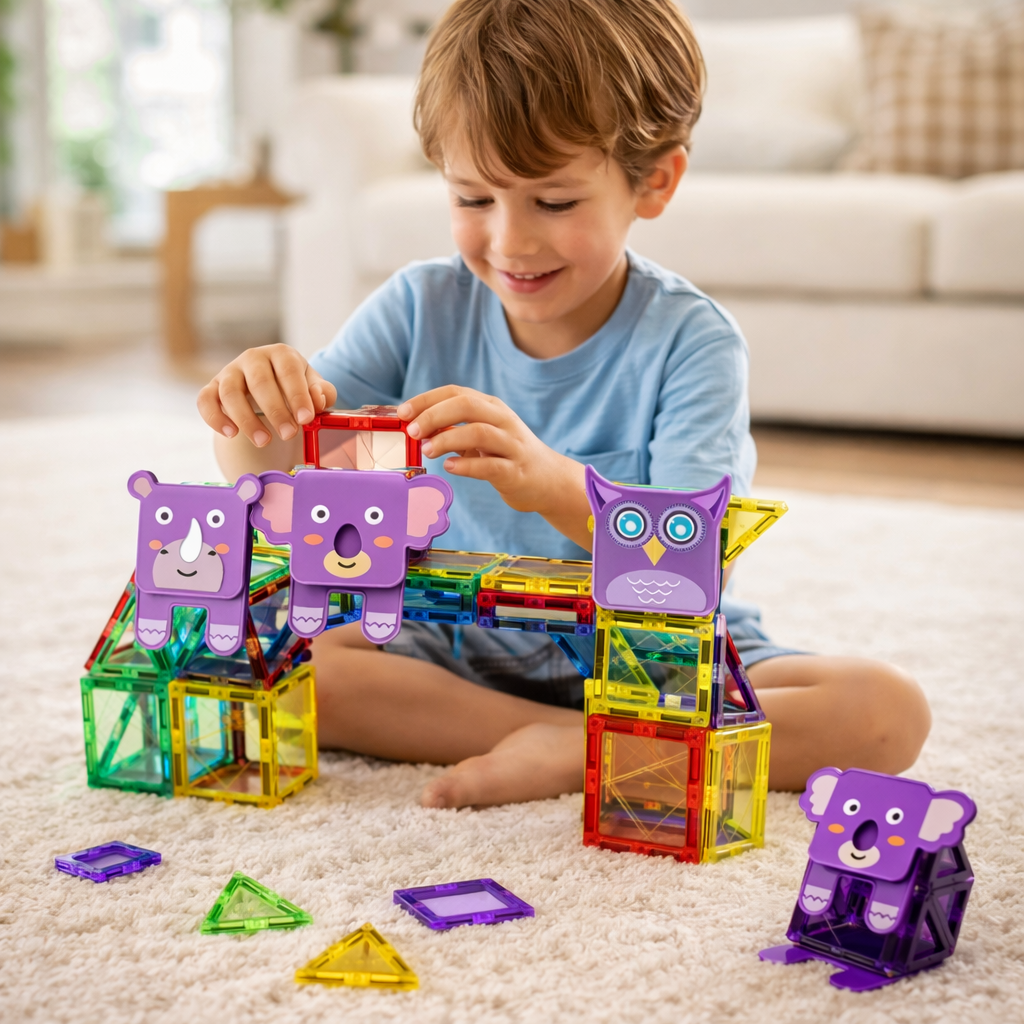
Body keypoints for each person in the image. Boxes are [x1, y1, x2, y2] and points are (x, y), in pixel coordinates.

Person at [198, 0, 931, 809]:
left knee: (885, 713)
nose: (510, 241)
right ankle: (576, 739)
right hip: (453, 641)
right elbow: (277, 483)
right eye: (473, 198)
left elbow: (690, 567)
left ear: (654, 182)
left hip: (647, 651)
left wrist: (550, 483)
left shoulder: (692, 342)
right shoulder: (417, 305)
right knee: (291, 663)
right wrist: (252, 410)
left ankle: (571, 744)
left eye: (553, 203)